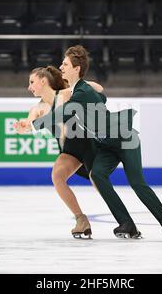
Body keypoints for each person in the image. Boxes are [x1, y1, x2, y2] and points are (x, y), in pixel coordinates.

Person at [29, 45, 162, 241]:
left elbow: (64, 112)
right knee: (98, 175)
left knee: (137, 184)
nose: (61, 66)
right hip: (105, 144)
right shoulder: (80, 90)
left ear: (76, 69)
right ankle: (127, 224)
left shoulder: (81, 92)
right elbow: (102, 96)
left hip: (125, 139)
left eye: (65, 64)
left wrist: (35, 125)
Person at [15, 65, 104, 239]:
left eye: (32, 82)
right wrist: (23, 127)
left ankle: (123, 219)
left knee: (99, 181)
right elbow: (29, 124)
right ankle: (81, 220)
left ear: (43, 81)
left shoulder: (65, 94)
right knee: (57, 176)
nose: (29, 87)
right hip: (69, 150)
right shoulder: (37, 109)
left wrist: (77, 85)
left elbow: (99, 89)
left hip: (87, 144)